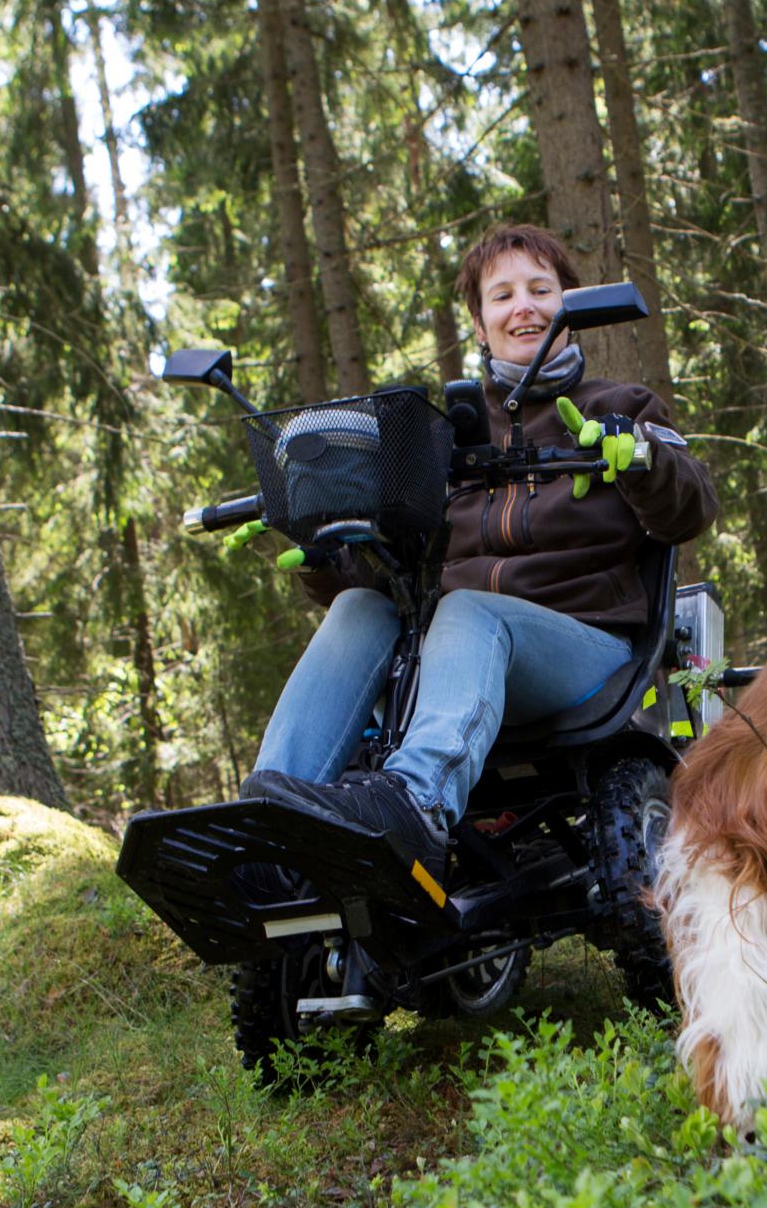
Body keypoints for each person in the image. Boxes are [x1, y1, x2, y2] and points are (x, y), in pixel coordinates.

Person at [243, 224, 719, 872]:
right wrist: (324, 551)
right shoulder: (438, 437)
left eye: (540, 290)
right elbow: (395, 574)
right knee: (359, 606)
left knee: (469, 610)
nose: (522, 306)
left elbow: (689, 506)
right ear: (479, 321)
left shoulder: (622, 405)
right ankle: (265, 828)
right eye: (502, 295)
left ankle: (416, 801)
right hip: (450, 661)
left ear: (570, 309)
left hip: (583, 648)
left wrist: (639, 455)